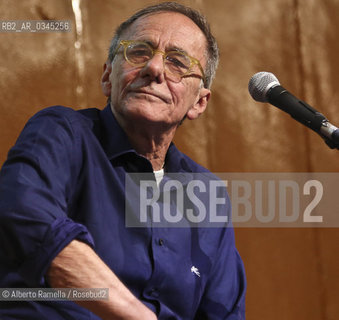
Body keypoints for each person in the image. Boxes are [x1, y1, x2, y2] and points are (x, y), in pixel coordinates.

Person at [0, 2, 246, 319]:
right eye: (139, 52)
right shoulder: (64, 133)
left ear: (199, 102)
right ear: (107, 76)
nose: (154, 68)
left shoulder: (207, 194)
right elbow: (25, 218)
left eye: (176, 62)